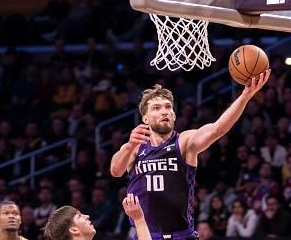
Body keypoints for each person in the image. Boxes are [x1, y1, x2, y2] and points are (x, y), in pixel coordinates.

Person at [111, 72, 270, 240]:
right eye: (156, 108)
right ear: (145, 118)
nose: (164, 111)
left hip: (182, 235)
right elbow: (115, 170)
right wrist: (129, 146)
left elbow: (218, 129)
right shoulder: (135, 147)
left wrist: (245, 96)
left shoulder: (184, 142)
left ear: (173, 115)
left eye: (168, 107)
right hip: (147, 235)